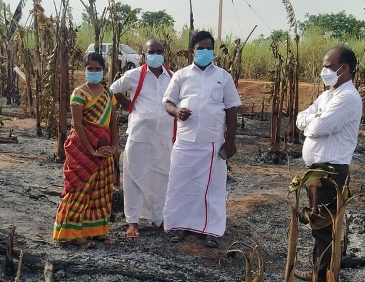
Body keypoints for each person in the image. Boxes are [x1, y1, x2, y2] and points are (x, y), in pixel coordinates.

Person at [293, 46, 363, 282]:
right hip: (317, 173)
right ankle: (319, 271)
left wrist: (313, 121)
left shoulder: (348, 98)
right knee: (318, 224)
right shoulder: (328, 96)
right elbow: (302, 117)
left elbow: (318, 127)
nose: (324, 71)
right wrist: (313, 120)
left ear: (343, 69)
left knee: (324, 228)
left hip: (329, 173)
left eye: (328, 66)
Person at [162, 31, 242, 248]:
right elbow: (168, 102)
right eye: (201, 48)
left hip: (213, 142)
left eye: (209, 48)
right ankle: (178, 225)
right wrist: (177, 111)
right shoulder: (181, 76)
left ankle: (211, 230)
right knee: (179, 184)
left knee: (212, 187)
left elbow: (231, 109)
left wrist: (231, 139)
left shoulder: (223, 77)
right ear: (192, 51)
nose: (205, 52)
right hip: (185, 141)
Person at [110, 38, 174, 238]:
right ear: (144, 54)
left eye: (159, 51)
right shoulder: (135, 74)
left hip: (164, 136)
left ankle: (158, 218)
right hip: (139, 135)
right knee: (134, 177)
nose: (155, 55)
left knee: (162, 176)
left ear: (164, 53)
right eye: (151, 51)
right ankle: (133, 222)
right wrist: (130, 106)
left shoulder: (172, 77)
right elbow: (113, 89)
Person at [53, 52, 119, 248]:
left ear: (104, 71)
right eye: (90, 68)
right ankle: (73, 233)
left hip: (104, 151)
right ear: (85, 70)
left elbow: (113, 123)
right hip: (83, 151)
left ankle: (96, 231)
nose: (94, 72)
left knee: (101, 191)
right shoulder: (79, 94)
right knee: (79, 190)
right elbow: (78, 125)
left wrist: (113, 147)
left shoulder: (109, 95)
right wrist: (91, 150)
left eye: (98, 69)